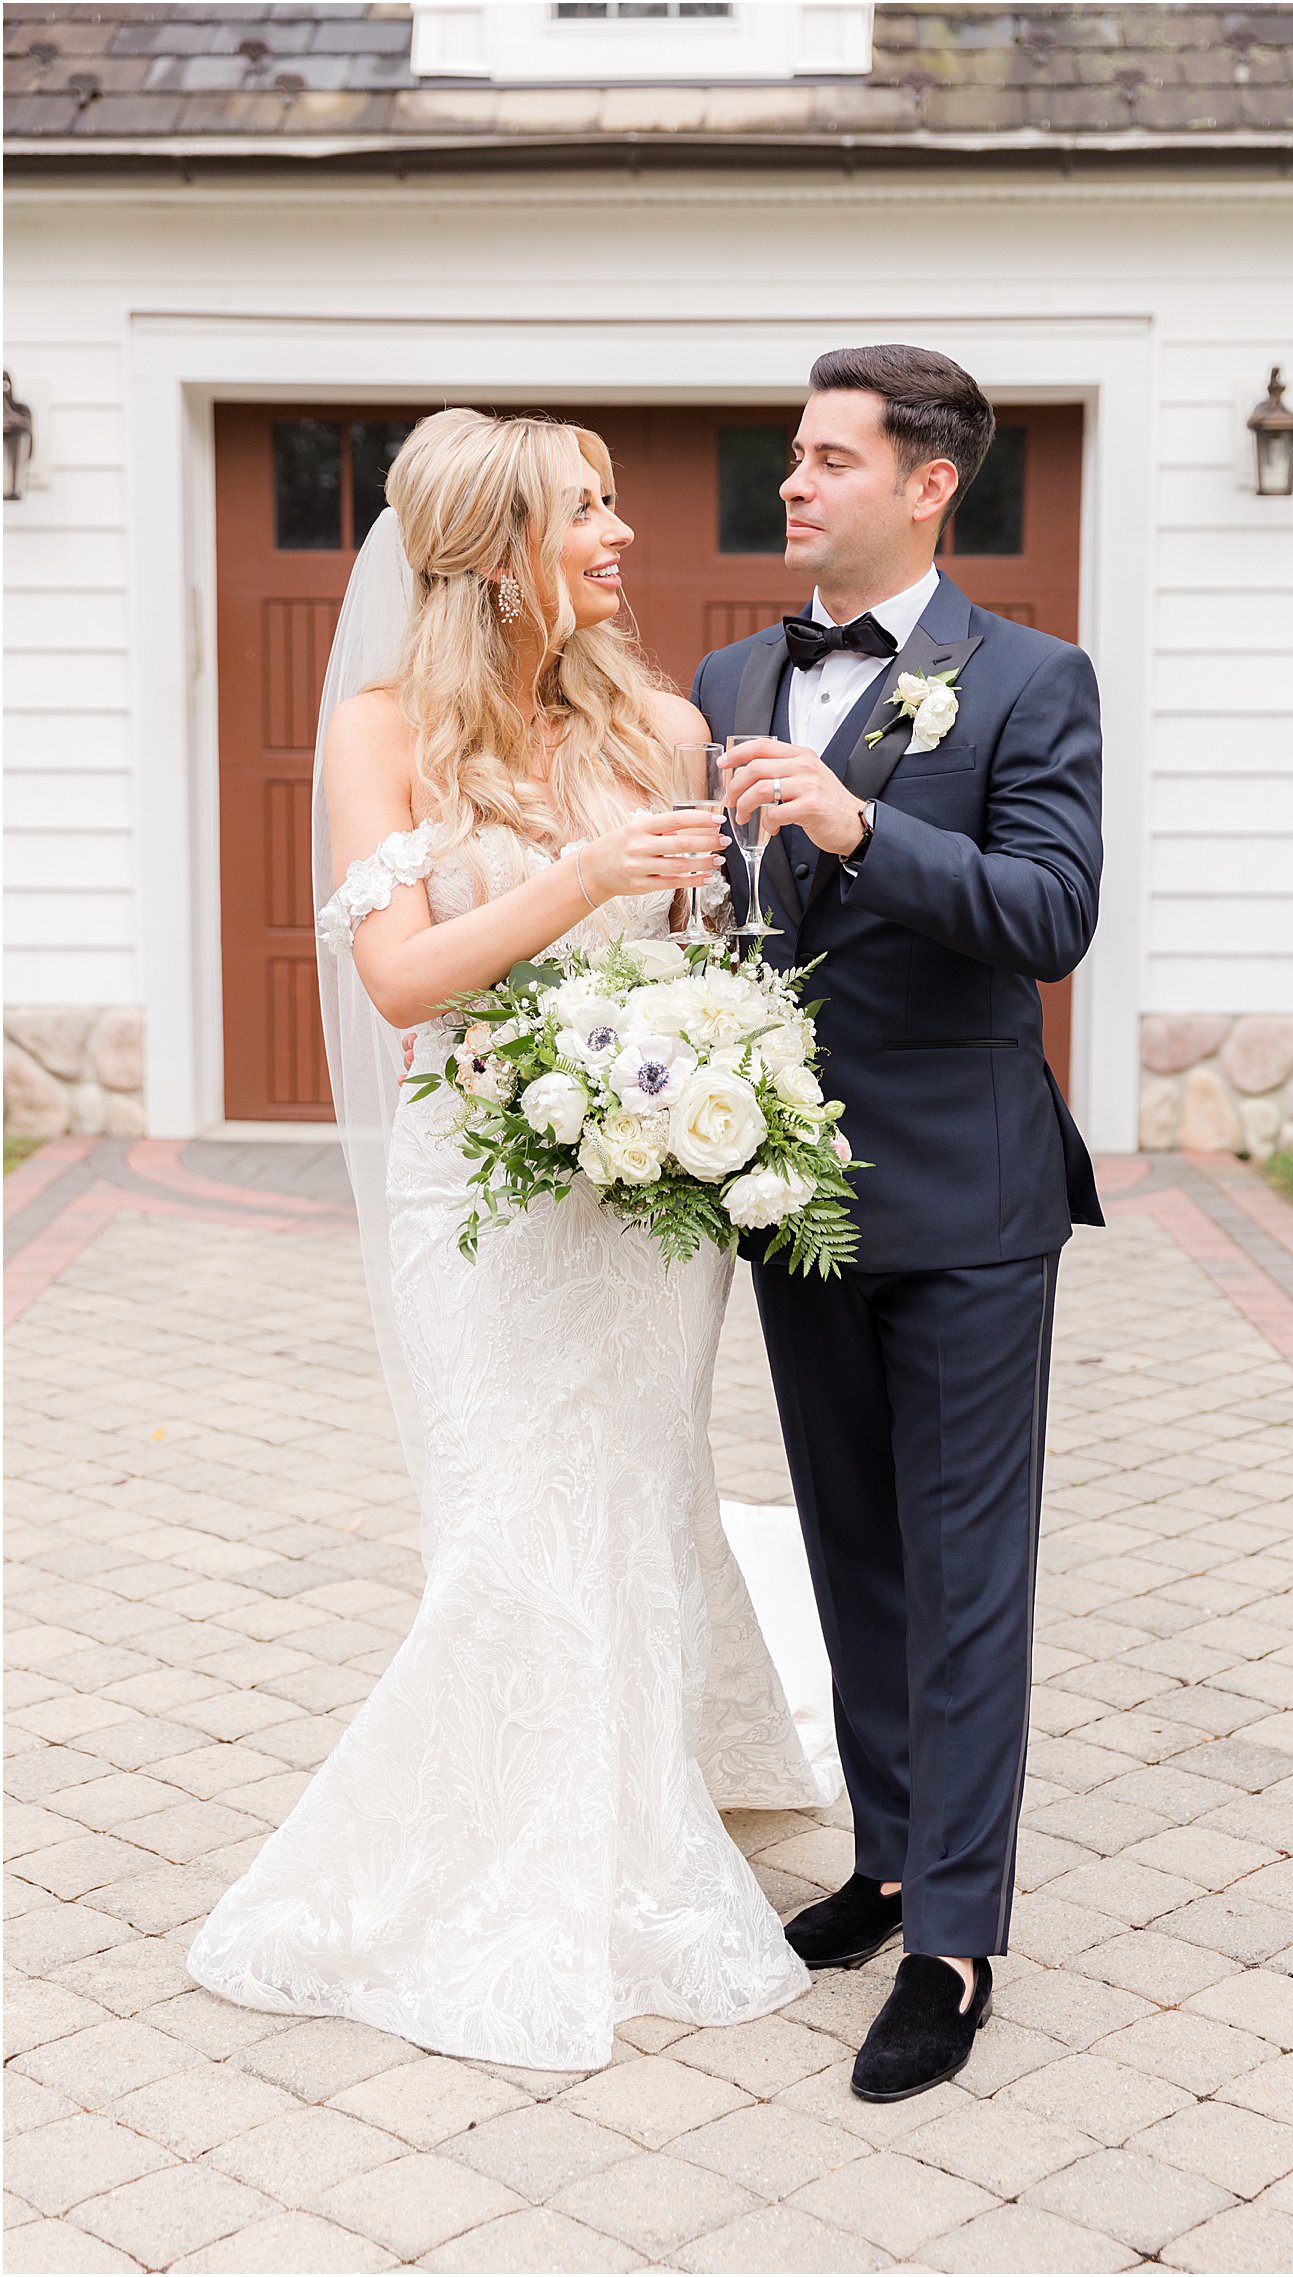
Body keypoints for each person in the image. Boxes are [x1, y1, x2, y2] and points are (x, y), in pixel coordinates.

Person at [186, 408, 827, 2071]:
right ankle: (481, 1859)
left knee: (638, 1491)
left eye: (616, 503)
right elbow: (400, 978)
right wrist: (581, 871)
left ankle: (642, 1813)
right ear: (488, 554)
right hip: (477, 1192)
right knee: (505, 1523)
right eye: (585, 511)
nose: (622, 536)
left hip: (644, 1196)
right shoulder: (381, 734)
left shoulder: (668, 725)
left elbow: (700, 962)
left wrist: (730, 1080)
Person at [694, 343, 1104, 2102]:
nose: (792, 482)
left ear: (930, 483)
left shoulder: (1031, 679)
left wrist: (863, 825)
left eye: (828, 457)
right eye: (793, 454)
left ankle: (954, 1937)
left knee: (962, 1574)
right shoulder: (727, 671)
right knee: (851, 1548)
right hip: (793, 1198)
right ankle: (878, 1857)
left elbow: (1050, 911)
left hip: (968, 1201)